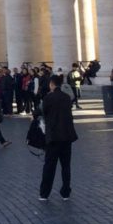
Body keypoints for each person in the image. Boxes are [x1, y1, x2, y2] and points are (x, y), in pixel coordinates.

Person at [39, 74, 78, 202]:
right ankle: (66, 192)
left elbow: (41, 112)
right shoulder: (67, 97)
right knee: (66, 166)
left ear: (51, 84)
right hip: (67, 136)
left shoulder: (48, 98)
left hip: (54, 137)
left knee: (49, 166)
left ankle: (44, 193)